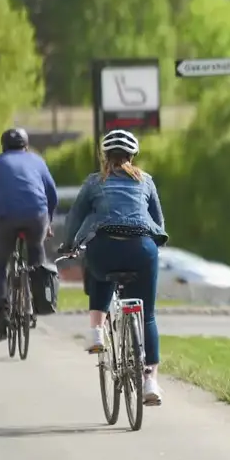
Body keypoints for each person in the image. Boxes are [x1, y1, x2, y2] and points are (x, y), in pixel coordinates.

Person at [61, 129, 168, 406]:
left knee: (96, 265)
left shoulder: (94, 182)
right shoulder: (146, 181)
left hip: (105, 249)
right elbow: (158, 222)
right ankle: (150, 382)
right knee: (148, 315)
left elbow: (76, 216)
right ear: (133, 156)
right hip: (142, 250)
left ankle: (96, 331)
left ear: (104, 156)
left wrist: (69, 244)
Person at [0, 127, 58, 342]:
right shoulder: (37, 161)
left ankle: (2, 311)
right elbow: (52, 194)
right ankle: (37, 303)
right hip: (36, 216)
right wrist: (49, 221)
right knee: (36, 257)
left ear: (3, 146)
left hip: (5, 218)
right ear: (26, 145)